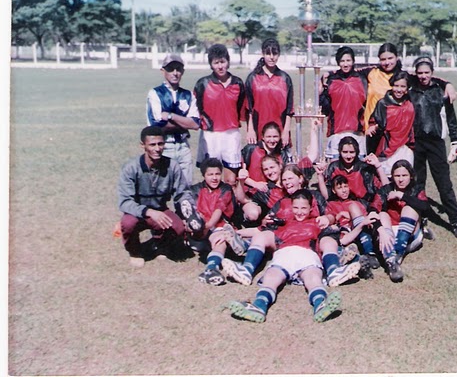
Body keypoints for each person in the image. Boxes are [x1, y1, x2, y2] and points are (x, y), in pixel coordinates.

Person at [227, 190, 342, 323]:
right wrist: (237, 233)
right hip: (284, 254)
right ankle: (259, 306)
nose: (299, 212)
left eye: (304, 208)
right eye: (296, 208)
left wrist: (329, 218)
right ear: (291, 207)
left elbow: (335, 223)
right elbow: (259, 230)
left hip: (307, 256)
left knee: (313, 278)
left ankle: (321, 304)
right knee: (271, 277)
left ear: (311, 208)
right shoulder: (283, 222)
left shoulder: (318, 222)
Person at [117, 126, 196, 267]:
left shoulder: (172, 166)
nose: (157, 148)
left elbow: (182, 193)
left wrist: (187, 214)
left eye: (160, 144)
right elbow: (125, 202)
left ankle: (159, 244)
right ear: (143, 145)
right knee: (128, 224)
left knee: (178, 227)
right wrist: (149, 212)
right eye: (152, 145)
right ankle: (135, 251)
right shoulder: (131, 168)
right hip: (138, 213)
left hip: (160, 209)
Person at [408, 57, 457, 239]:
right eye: (420, 73)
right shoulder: (410, 90)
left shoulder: (441, 90)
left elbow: (451, 117)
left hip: (435, 143)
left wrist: (455, 141)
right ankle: (421, 218)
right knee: (417, 183)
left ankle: (456, 221)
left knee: (444, 183)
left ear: (432, 73)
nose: (423, 76)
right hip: (416, 143)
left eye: (427, 72)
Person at [194, 44, 246, 185]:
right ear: (211, 64)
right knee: (212, 178)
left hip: (231, 133)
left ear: (228, 61)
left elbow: (242, 109)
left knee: (231, 180)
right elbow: (196, 109)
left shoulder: (237, 83)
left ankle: (230, 200)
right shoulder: (202, 84)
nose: (220, 66)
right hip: (210, 134)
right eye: (216, 63)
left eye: (222, 62)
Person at [145, 54, 200, 185]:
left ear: (183, 71)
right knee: (162, 188)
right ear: (163, 71)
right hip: (163, 146)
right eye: (170, 69)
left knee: (185, 188)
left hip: (183, 146)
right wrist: (185, 123)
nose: (175, 73)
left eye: (178, 69)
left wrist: (171, 116)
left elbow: (196, 124)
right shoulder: (155, 93)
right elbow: (157, 126)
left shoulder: (188, 95)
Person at [374, 160, 431, 283]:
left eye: (404, 175)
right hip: (389, 236)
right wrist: (381, 231)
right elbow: (372, 210)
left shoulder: (416, 188)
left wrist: (402, 196)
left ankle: (397, 253)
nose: (401, 179)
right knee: (382, 214)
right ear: (392, 177)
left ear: (411, 176)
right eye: (397, 176)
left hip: (410, 236)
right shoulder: (386, 189)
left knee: (409, 208)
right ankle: (392, 262)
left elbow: (426, 207)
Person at [187, 157, 241, 286]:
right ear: (203, 175)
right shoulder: (195, 190)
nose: (215, 178)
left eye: (217, 174)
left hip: (217, 227)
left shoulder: (225, 188)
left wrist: (208, 226)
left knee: (219, 240)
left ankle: (211, 268)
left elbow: (219, 209)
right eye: (210, 174)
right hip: (199, 230)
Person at [319, 46, 368, 160]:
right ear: (338, 62)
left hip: (358, 133)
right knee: (335, 168)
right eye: (342, 61)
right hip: (336, 133)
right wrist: (320, 93)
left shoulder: (362, 79)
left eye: (348, 60)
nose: (345, 64)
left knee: (358, 168)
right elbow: (325, 109)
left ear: (353, 61)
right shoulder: (331, 80)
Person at [245, 38, 294, 148]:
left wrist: (286, 131)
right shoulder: (253, 78)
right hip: (258, 130)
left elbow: (289, 109)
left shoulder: (285, 78)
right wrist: (250, 130)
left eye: (275, 54)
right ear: (262, 54)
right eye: (268, 54)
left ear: (279, 54)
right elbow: (249, 108)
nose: (272, 57)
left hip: (280, 131)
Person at [366, 70, 415, 176]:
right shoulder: (383, 104)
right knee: (386, 178)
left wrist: (447, 85)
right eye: (396, 86)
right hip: (387, 149)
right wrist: (372, 127)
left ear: (407, 88)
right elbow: (374, 121)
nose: (399, 89)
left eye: (403, 86)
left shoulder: (411, 103)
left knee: (404, 179)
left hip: (405, 148)